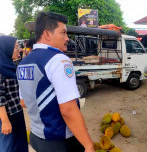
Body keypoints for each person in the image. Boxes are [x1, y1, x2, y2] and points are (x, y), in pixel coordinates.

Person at [17, 12, 95, 152]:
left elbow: (23, 102)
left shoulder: (23, 63)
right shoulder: (59, 60)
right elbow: (68, 110)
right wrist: (88, 145)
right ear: (47, 34)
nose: (67, 38)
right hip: (59, 140)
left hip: (36, 136)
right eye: (63, 33)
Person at [0, 36, 28, 152]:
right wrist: (5, 122)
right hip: (7, 116)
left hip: (16, 112)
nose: (18, 49)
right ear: (6, 49)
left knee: (20, 145)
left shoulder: (9, 65)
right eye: (16, 47)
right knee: (10, 147)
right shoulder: (1, 68)